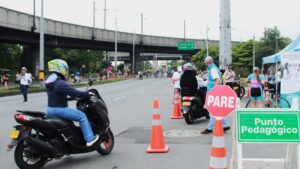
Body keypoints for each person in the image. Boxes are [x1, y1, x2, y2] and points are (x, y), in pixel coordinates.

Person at [45, 59, 99, 146]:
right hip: (60, 110)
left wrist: (70, 98)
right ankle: (90, 139)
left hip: (50, 109)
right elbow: (75, 92)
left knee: (70, 123)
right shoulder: (60, 83)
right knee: (82, 116)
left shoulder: (50, 82)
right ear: (61, 69)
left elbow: (57, 95)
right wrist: (86, 94)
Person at [201, 56, 230, 134]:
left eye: (205, 63)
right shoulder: (214, 68)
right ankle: (226, 125)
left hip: (213, 92)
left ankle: (209, 128)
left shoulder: (213, 69)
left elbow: (217, 80)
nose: (205, 64)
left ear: (207, 63)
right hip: (214, 91)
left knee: (212, 110)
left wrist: (214, 91)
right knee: (218, 110)